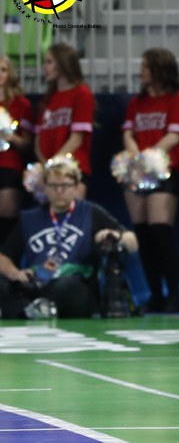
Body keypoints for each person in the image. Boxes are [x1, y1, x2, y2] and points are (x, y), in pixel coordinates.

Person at [0, 159, 138, 319]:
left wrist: (115, 235)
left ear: (75, 187)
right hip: (37, 285)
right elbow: (3, 256)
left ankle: (23, 311)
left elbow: (133, 242)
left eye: (65, 186)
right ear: (45, 187)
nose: (59, 190)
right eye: (53, 186)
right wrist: (15, 273)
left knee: (65, 285)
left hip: (75, 286)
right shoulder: (29, 218)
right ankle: (32, 310)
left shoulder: (90, 212)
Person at [122, 48, 179, 314]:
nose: (141, 71)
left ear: (160, 69)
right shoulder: (136, 102)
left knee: (160, 231)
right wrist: (136, 159)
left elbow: (174, 135)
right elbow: (127, 133)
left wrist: (150, 158)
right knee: (144, 235)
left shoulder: (177, 98)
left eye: (146, 66)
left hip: (165, 169)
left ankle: (173, 295)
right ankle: (154, 294)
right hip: (137, 170)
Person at [36, 44, 94, 199]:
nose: (45, 67)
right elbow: (38, 141)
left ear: (63, 64)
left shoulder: (82, 94)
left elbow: (76, 139)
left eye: (50, 62)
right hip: (49, 172)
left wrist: (52, 165)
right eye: (45, 62)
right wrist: (46, 166)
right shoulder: (47, 99)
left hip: (72, 168)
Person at [0, 55, 35, 245]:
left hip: (10, 165)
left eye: (3, 69)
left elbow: (27, 142)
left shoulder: (22, 105)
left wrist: (8, 136)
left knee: (7, 213)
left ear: (10, 74)